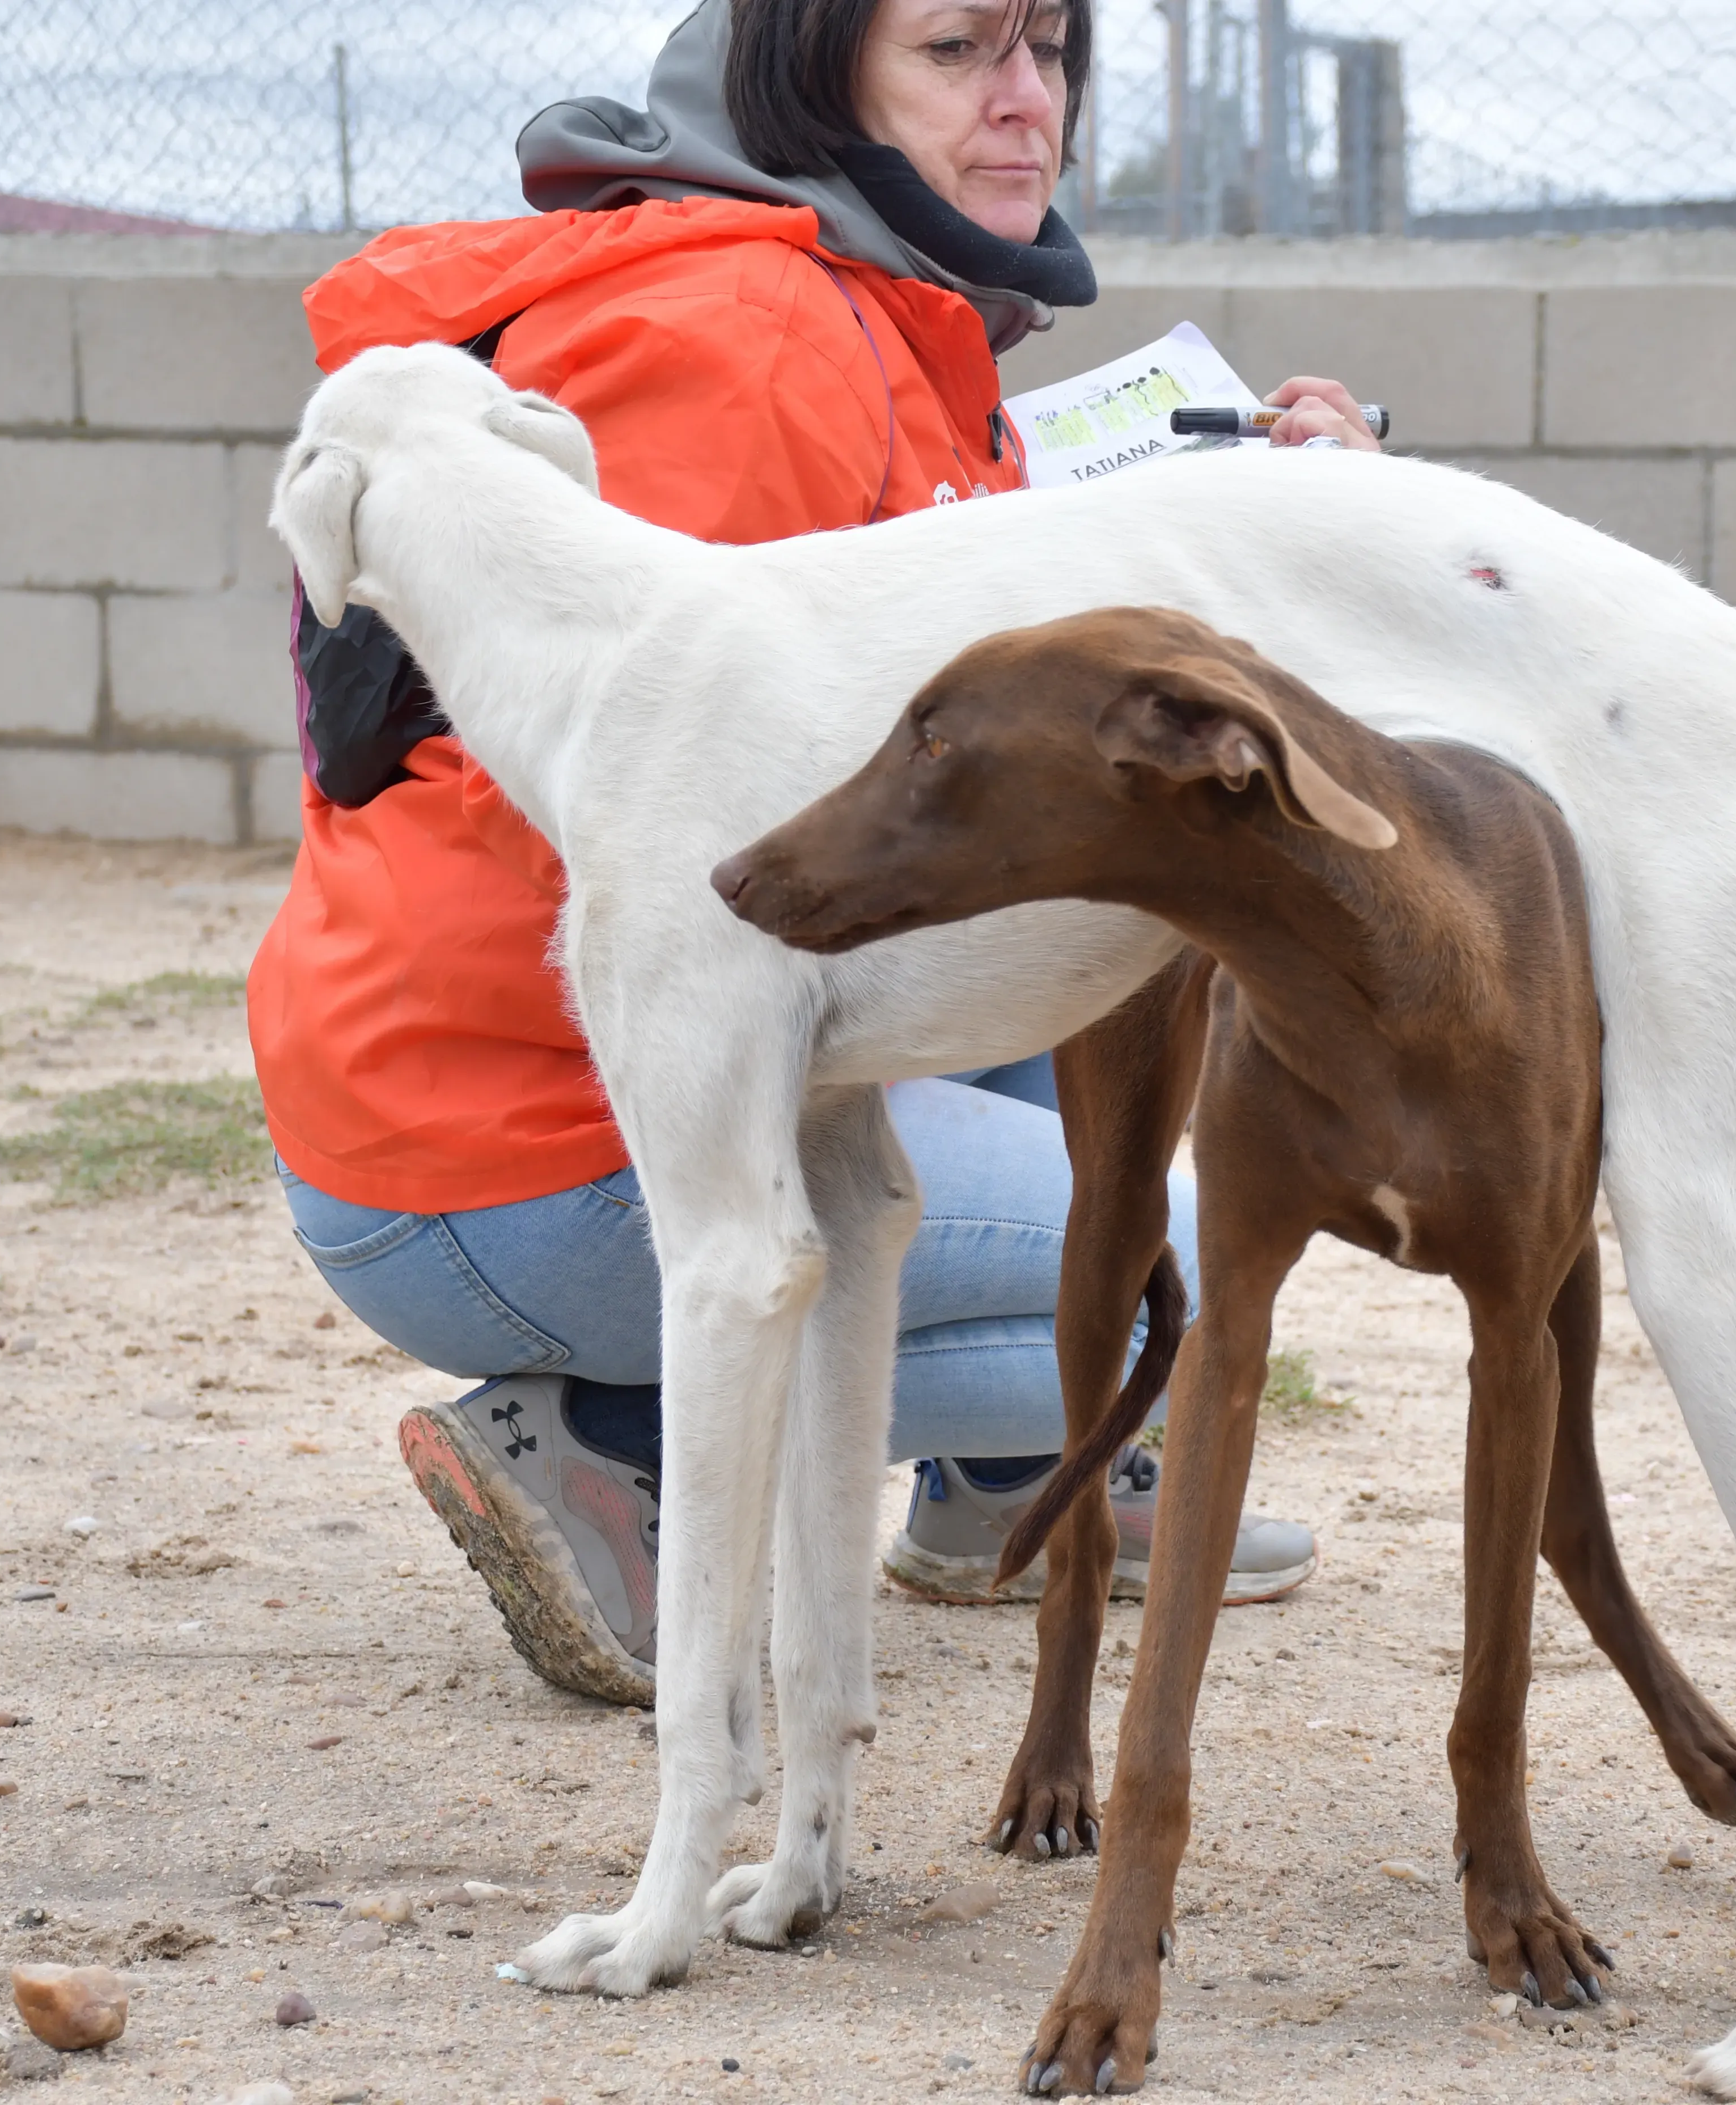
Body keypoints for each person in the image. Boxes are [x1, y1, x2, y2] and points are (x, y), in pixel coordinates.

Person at [248, 0, 1380, 1707]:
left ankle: (1002, 1479)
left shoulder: (868, 309)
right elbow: (671, 812)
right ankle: (611, 1449)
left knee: (1097, 984)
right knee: (1206, 1268)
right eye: (956, 52)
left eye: (1051, 48)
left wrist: (1266, 524)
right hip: (535, 1137)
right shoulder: (750, 335)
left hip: (558, 1081)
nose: (1027, 103)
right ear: (811, 79)